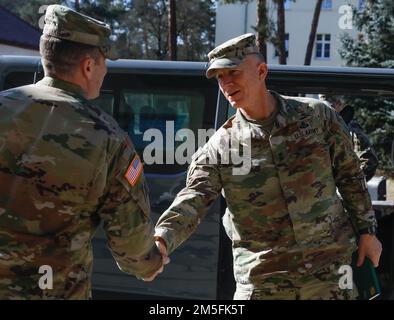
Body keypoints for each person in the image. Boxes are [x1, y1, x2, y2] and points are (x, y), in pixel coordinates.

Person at [154, 33, 382, 300]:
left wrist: (367, 233)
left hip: (329, 273)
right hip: (264, 281)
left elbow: (350, 175)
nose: (226, 83)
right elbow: (193, 200)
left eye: (233, 72)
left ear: (261, 71)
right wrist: (161, 239)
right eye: (219, 77)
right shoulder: (219, 148)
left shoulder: (316, 117)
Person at [0, 5, 166, 300]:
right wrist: (151, 263)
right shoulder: (108, 138)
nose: (105, 71)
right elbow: (130, 246)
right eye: (104, 63)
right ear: (88, 66)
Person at [318, 94, 379, 181]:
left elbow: (369, 161)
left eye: (330, 106)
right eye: (323, 106)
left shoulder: (350, 128)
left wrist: (348, 184)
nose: (325, 111)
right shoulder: (313, 124)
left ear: (339, 104)